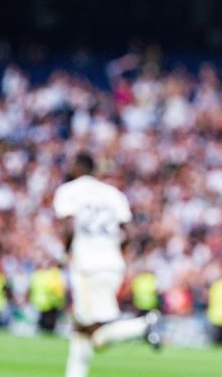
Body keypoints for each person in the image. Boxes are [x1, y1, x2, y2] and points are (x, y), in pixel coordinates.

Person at [54, 153, 161, 377]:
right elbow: (130, 233)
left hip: (86, 265)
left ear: (76, 167)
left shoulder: (69, 191)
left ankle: (142, 326)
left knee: (93, 330)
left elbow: (69, 227)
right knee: (83, 329)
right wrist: (113, 251)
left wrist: (66, 254)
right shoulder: (113, 194)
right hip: (112, 264)